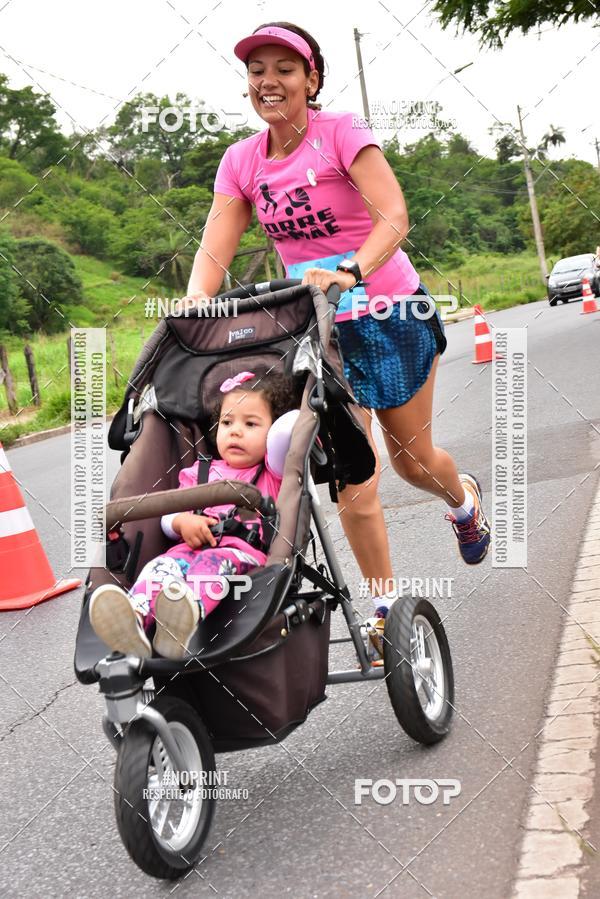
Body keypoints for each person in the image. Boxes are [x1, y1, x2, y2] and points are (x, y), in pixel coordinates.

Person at [179, 22, 490, 641]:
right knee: (355, 469)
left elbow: (393, 216)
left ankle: (463, 502)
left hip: (389, 311)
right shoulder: (242, 161)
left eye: (284, 69)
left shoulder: (340, 133)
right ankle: (384, 607)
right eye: (257, 70)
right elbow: (213, 255)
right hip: (317, 330)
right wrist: (190, 310)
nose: (269, 81)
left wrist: (350, 270)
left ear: (310, 79)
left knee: (412, 461)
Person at [90, 370, 299, 660]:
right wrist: (181, 521)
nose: (235, 431)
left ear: (270, 431)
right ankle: (133, 622)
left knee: (211, 565)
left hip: (240, 555)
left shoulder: (272, 471)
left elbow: (289, 429)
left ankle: (180, 622)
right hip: (185, 551)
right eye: (227, 422)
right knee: (159, 568)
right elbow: (167, 515)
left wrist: (308, 404)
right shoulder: (198, 472)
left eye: (251, 424)